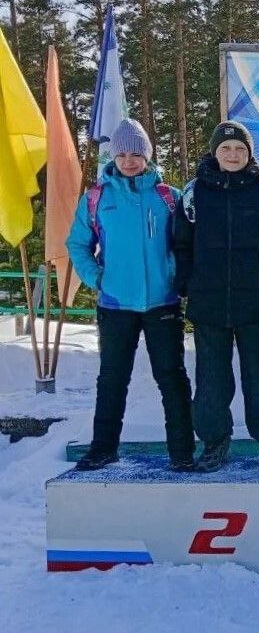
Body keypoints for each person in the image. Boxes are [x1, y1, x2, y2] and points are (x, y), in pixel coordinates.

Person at [66, 119, 194, 471]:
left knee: (171, 377)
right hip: (115, 305)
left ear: (147, 156)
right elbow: (77, 244)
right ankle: (103, 448)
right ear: (113, 157)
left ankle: (182, 452)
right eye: (121, 155)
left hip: (162, 302)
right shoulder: (96, 198)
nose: (128, 161)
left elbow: (185, 245)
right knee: (112, 378)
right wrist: (97, 277)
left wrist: (174, 275)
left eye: (136, 154)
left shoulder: (168, 197)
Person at [174, 121, 259, 473]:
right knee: (211, 379)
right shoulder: (194, 193)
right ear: (214, 153)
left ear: (249, 153)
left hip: (254, 302)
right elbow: (181, 245)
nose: (233, 154)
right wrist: (187, 284)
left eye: (240, 148)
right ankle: (214, 442)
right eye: (226, 148)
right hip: (208, 303)